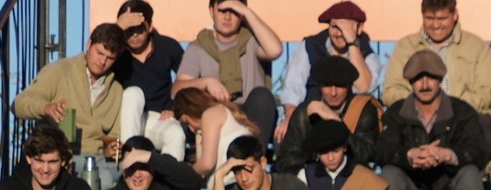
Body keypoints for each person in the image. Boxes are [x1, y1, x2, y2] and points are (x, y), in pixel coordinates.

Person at [375, 49, 491, 190]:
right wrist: (408, 156)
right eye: (418, 79)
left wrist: (447, 155)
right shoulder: (397, 113)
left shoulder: (461, 111)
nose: (425, 84)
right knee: (390, 174)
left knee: (470, 173)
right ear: (410, 82)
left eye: (431, 77)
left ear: (440, 79)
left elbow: (478, 150)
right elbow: (381, 150)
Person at [14, 22, 130, 185]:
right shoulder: (59, 71)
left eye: (110, 58)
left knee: (119, 175)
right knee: (101, 180)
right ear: (89, 44)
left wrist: (111, 147)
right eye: (99, 53)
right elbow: (19, 104)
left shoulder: (116, 89)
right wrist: (46, 107)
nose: (102, 61)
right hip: (60, 155)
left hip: (98, 160)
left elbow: (112, 136)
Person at [176, 0, 285, 142]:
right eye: (222, 11)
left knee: (263, 96)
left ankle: (254, 158)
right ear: (211, 12)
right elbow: (177, 89)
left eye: (234, 11)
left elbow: (275, 50)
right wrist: (206, 82)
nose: (227, 17)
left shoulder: (253, 41)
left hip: (250, 113)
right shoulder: (199, 47)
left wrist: (247, 13)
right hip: (213, 112)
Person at [378, 0, 491, 114]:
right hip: (416, 122)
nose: (436, 25)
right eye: (430, 18)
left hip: (465, 119)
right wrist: (420, 106)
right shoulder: (405, 47)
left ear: (455, 15)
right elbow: (390, 91)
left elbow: (489, 90)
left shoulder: (476, 46)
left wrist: (456, 107)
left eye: (442, 18)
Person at [278, 1, 373, 138]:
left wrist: (352, 43)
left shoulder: (366, 53)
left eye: (345, 27)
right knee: (283, 134)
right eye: (335, 26)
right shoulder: (310, 46)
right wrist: (291, 120)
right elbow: (293, 87)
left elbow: (364, 88)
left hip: (349, 122)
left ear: (359, 29)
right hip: (311, 118)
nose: (339, 33)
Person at [276, 57, 381, 173]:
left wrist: (335, 121)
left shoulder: (364, 110)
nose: (333, 92)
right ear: (320, 86)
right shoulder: (305, 113)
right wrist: (306, 177)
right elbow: (286, 159)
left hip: (351, 179)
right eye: (327, 85)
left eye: (340, 86)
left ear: (350, 86)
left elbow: (365, 155)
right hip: (312, 180)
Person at [116, 1, 189, 159]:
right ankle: (130, 161)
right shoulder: (116, 52)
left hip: (158, 118)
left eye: (139, 29)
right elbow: (95, 57)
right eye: (129, 30)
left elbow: (189, 80)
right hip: (125, 119)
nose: (134, 35)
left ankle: (170, 179)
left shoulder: (167, 47)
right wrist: (117, 30)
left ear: (149, 27)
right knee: (133, 93)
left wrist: (176, 109)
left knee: (176, 133)